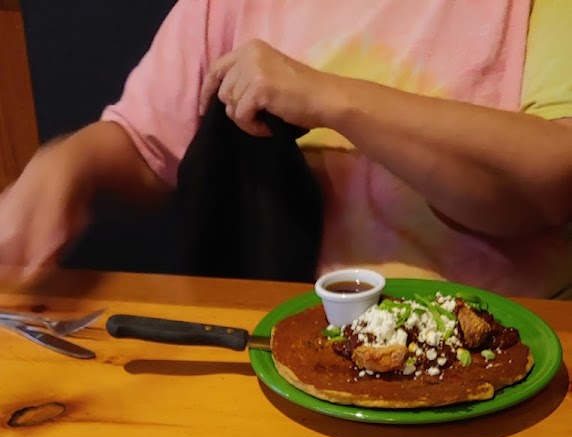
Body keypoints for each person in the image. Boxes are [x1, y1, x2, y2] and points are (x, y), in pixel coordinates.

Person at [0, 1, 571, 296]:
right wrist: (66, 166)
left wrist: (326, 97)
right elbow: (144, 143)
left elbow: (552, 182)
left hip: (496, 363)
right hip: (283, 355)